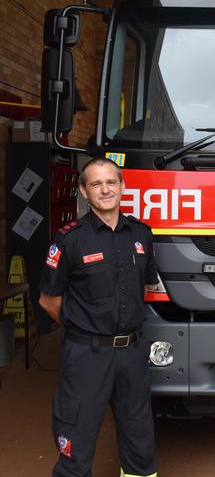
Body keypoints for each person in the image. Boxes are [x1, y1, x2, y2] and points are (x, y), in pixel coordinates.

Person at [39, 157, 158, 477]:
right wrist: (85, 328)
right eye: (96, 184)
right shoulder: (69, 239)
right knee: (75, 436)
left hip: (132, 353)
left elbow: (144, 285)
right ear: (83, 191)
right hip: (87, 354)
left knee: (139, 438)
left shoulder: (142, 234)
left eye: (111, 182)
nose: (105, 190)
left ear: (122, 186)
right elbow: (49, 300)